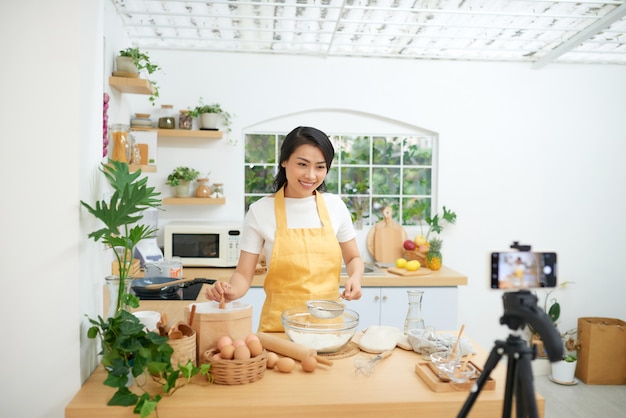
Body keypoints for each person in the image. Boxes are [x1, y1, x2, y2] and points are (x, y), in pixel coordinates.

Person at [205, 126, 364, 331]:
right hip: (279, 329)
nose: (310, 175)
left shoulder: (335, 207)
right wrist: (231, 291)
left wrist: (355, 278)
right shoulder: (260, 210)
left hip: (328, 328)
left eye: (320, 167)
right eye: (302, 164)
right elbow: (244, 273)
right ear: (284, 161)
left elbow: (353, 259)